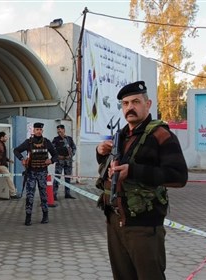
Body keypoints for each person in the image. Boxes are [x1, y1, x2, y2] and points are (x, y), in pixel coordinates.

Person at [96, 81, 188, 280]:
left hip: (144, 226)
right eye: (125, 103)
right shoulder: (121, 135)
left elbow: (179, 176)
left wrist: (134, 171)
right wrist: (101, 154)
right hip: (115, 221)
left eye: (136, 102)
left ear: (148, 104)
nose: (130, 107)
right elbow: (111, 171)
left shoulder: (161, 135)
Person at [13, 122, 58, 226]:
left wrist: (51, 161)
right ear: (33, 131)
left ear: (42, 131)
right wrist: (22, 159)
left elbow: (55, 155)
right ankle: (28, 218)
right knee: (30, 196)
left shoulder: (47, 142)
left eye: (40, 129)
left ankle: (45, 216)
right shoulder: (28, 142)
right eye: (36, 129)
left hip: (42, 172)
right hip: (31, 172)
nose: (38, 131)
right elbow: (16, 150)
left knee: (44, 195)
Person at [52, 124, 77, 200]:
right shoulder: (55, 139)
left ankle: (67, 193)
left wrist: (71, 155)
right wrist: (57, 156)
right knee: (57, 178)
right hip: (60, 161)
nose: (59, 131)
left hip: (68, 161)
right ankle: (54, 194)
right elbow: (52, 149)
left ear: (64, 130)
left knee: (67, 178)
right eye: (58, 130)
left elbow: (74, 148)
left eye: (60, 129)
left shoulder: (69, 139)